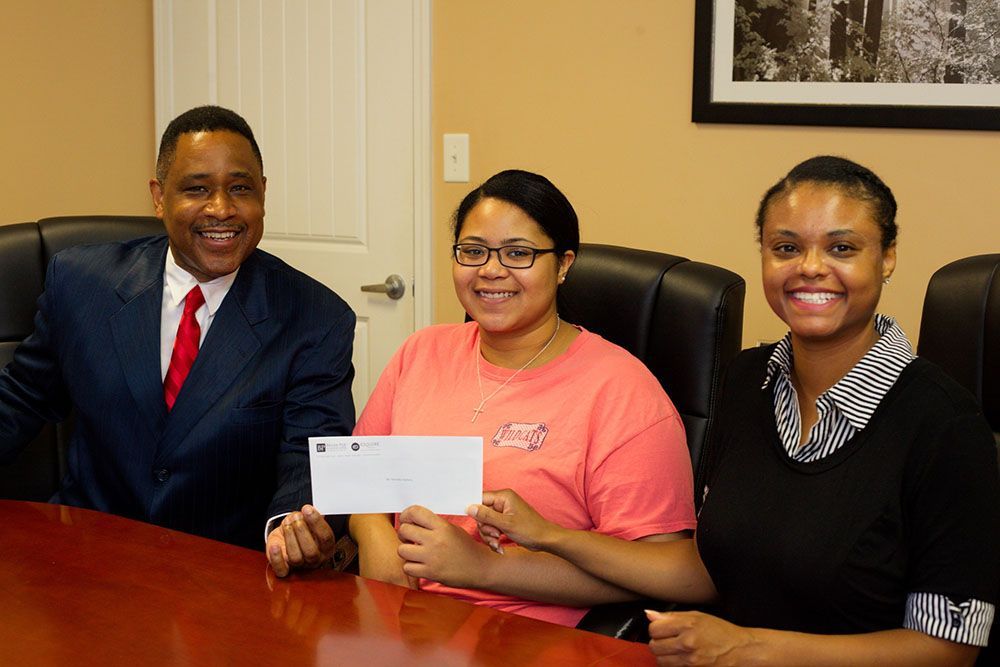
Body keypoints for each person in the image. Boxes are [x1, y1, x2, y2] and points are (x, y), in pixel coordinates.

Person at [469, 156, 1000, 665]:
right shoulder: (749, 381)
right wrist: (550, 536)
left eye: (842, 247)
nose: (810, 268)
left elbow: (948, 651)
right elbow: (707, 569)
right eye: (786, 247)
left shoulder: (945, 426)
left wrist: (749, 651)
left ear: (886, 258)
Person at [0, 106, 356, 573]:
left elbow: (310, 453)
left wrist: (292, 524)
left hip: (221, 573)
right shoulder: (82, 283)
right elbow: (22, 398)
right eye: (197, 189)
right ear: (158, 197)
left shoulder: (315, 317)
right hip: (85, 558)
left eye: (241, 188)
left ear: (263, 194)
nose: (222, 208)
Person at [342, 169, 696, 626]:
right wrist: (376, 541)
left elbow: (663, 568)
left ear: (564, 264)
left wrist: (487, 569)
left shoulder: (623, 392)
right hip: (393, 621)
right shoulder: (421, 351)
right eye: (473, 251)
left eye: (518, 253)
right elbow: (361, 483)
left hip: (523, 636)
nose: (491, 270)